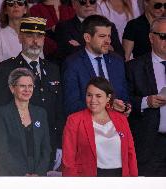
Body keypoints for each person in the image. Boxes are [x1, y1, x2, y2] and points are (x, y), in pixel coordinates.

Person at [0, 17, 64, 170]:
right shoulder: (4, 69)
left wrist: (58, 145)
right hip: (16, 149)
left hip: (46, 147)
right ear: (20, 37)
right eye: (30, 36)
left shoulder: (53, 69)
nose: (35, 41)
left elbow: (58, 109)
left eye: (39, 36)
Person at [62, 77, 138, 177]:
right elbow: (68, 160)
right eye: (89, 95)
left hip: (120, 177)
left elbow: (130, 153)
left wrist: (134, 181)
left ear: (108, 98)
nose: (93, 100)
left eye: (98, 96)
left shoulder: (121, 119)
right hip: (89, 179)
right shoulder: (74, 120)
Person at [63, 15, 130, 116]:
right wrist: (108, 105)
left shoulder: (117, 61)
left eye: (109, 36)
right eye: (102, 36)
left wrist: (126, 107)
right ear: (87, 37)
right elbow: (71, 105)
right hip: (87, 127)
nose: (108, 41)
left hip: (115, 126)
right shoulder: (72, 64)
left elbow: (124, 96)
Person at [126, 17, 166, 176]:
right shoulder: (134, 67)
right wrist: (146, 102)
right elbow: (124, 100)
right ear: (151, 37)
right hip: (149, 143)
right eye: (163, 36)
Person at [0, 68, 51, 176]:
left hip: (37, 176)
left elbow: (46, 149)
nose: (27, 90)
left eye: (30, 86)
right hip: (12, 175)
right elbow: (2, 151)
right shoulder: (2, 114)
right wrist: (22, 175)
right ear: (12, 88)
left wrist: (38, 173)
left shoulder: (41, 113)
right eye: (22, 86)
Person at [55, 0, 124, 61]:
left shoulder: (109, 26)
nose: (88, 4)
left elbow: (121, 55)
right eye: (83, 1)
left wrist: (81, 46)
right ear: (73, 4)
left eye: (92, 1)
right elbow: (69, 54)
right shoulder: (64, 27)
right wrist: (107, 48)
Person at [0, 0, 29, 75]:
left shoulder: (35, 35)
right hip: (9, 84)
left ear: (25, 9)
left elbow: (41, 65)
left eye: (20, 3)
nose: (16, 5)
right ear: (5, 10)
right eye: (11, 3)